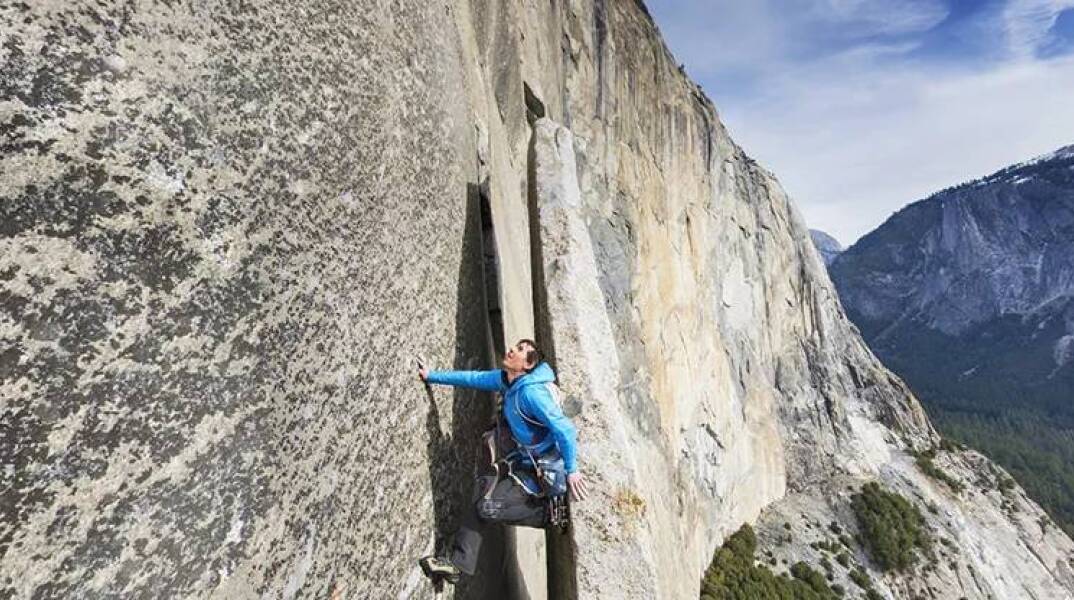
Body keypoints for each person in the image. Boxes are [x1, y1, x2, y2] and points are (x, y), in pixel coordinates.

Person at [417, 339, 587, 583]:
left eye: (519, 351)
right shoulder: (508, 380)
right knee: (483, 486)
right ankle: (458, 566)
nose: (511, 350)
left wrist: (573, 470)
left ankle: (547, 514)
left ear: (527, 366)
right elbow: (473, 379)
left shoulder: (531, 393)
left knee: (486, 508)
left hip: (545, 472)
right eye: (515, 346)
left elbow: (566, 431)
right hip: (524, 461)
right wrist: (432, 376)